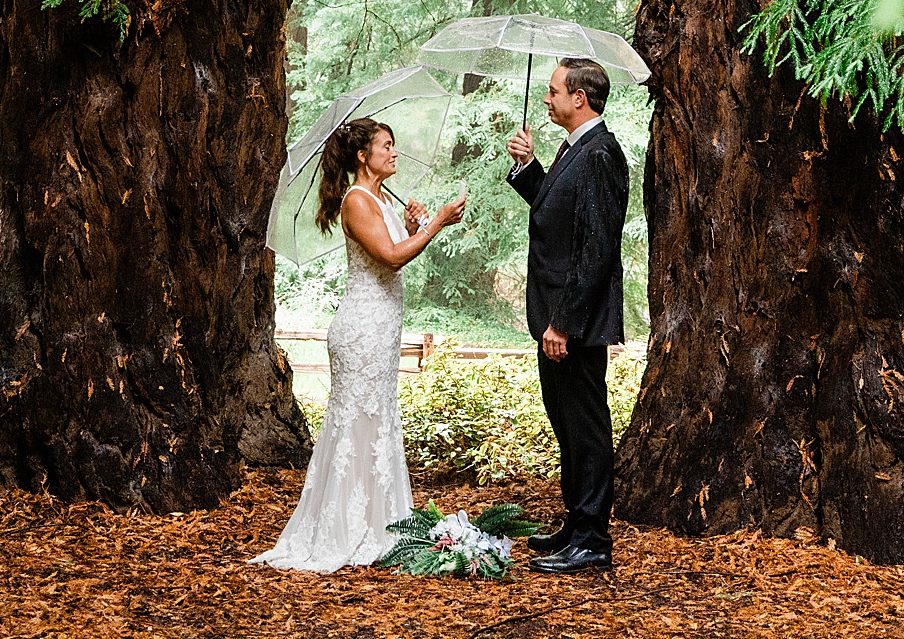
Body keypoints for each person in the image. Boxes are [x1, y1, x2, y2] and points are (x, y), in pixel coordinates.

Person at [251, 117, 466, 572]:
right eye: (386, 146)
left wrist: (412, 226)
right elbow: (389, 257)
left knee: (377, 422)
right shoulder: (356, 201)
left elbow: (395, 254)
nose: (394, 152)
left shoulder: (379, 199)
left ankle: (380, 520)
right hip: (361, 331)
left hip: (380, 328)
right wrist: (438, 224)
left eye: (394, 144)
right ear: (362, 157)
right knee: (356, 424)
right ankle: (344, 528)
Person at [505, 56, 629, 574]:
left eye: (555, 91)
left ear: (580, 98)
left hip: (571, 322)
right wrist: (528, 168)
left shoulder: (600, 153)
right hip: (555, 316)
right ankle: (576, 522)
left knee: (586, 426)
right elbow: (554, 213)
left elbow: (595, 249)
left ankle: (594, 540)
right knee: (566, 422)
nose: (549, 98)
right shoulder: (574, 148)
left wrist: (565, 323)